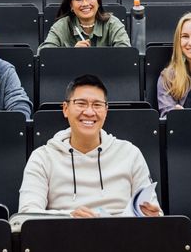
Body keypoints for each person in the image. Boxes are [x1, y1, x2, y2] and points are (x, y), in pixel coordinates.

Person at [18, 74, 161, 217]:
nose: (89, 112)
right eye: (81, 103)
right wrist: (69, 217)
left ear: (106, 111)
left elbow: (154, 212)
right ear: (66, 109)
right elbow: (26, 216)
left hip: (123, 235)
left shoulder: (130, 153)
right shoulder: (42, 157)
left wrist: (153, 216)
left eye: (97, 105)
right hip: (66, 234)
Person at [39, 0, 130, 49]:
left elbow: (125, 52)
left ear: (98, 1)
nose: (85, 4)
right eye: (79, 0)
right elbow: (44, 53)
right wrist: (71, 53)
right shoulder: (62, 25)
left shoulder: (112, 23)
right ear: (71, 5)